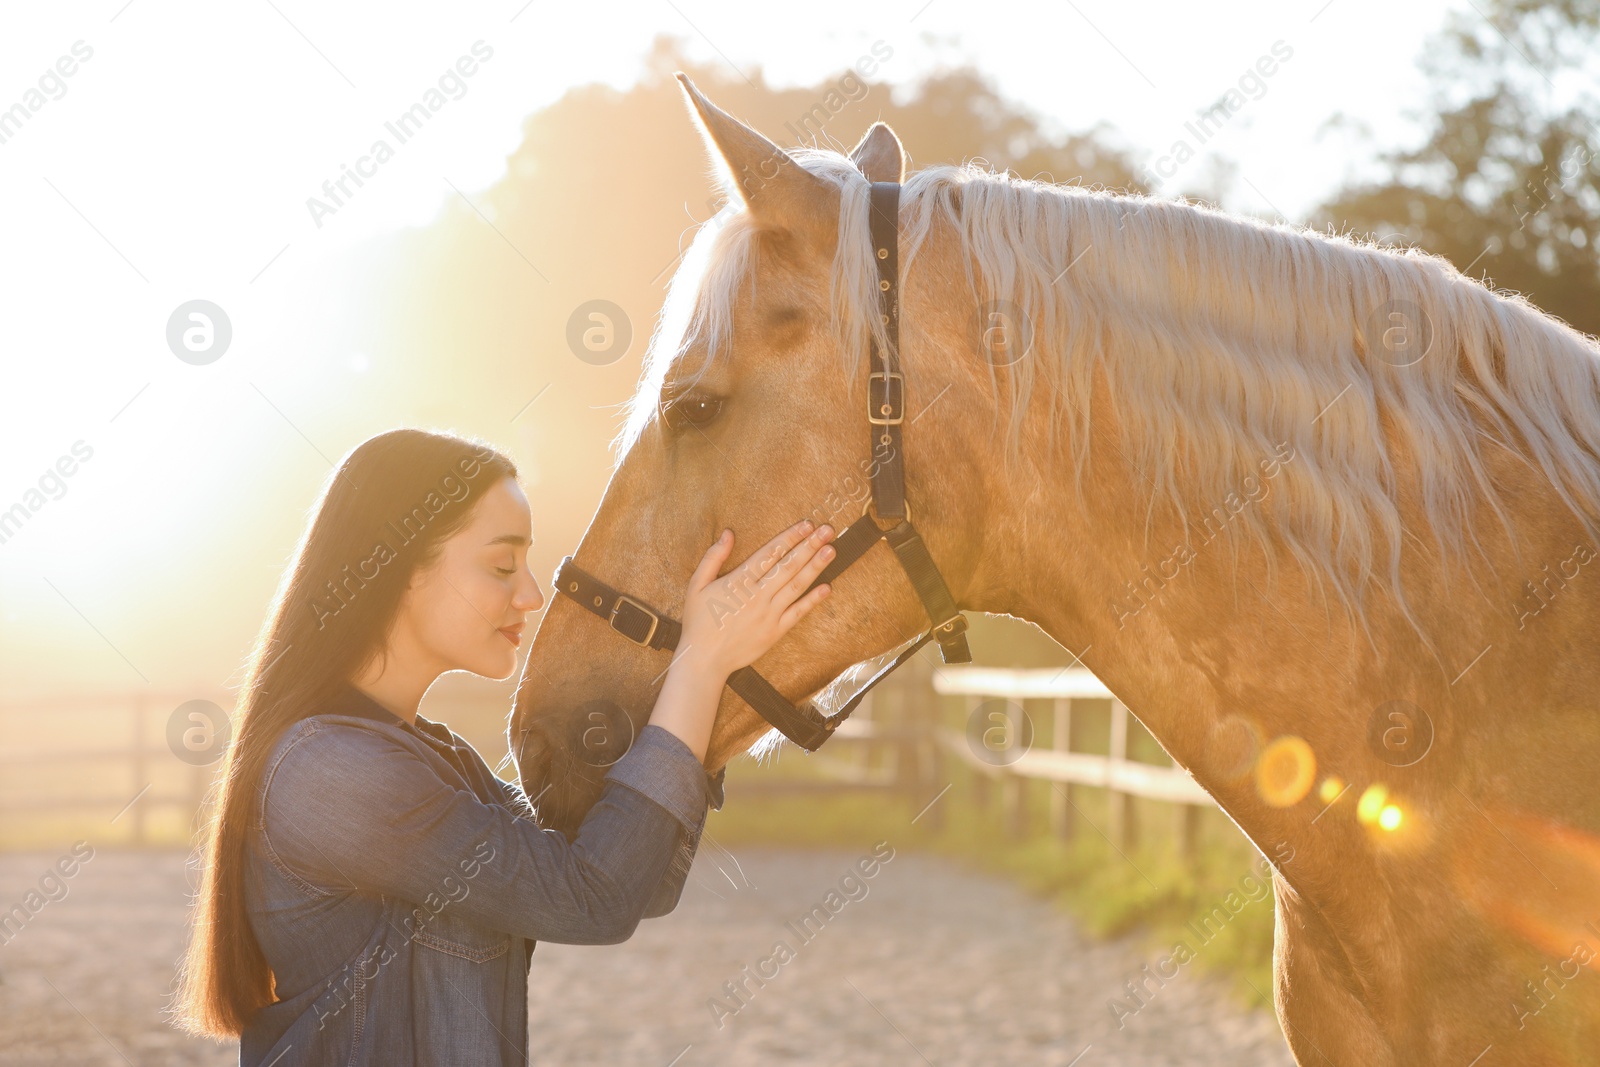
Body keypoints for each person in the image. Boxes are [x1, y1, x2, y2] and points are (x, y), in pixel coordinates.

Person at [175, 428, 836, 1065]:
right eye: (501, 564)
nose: (530, 593)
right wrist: (698, 664)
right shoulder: (331, 774)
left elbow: (635, 876)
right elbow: (593, 894)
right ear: (402, 567)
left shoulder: (437, 759)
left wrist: (713, 667)